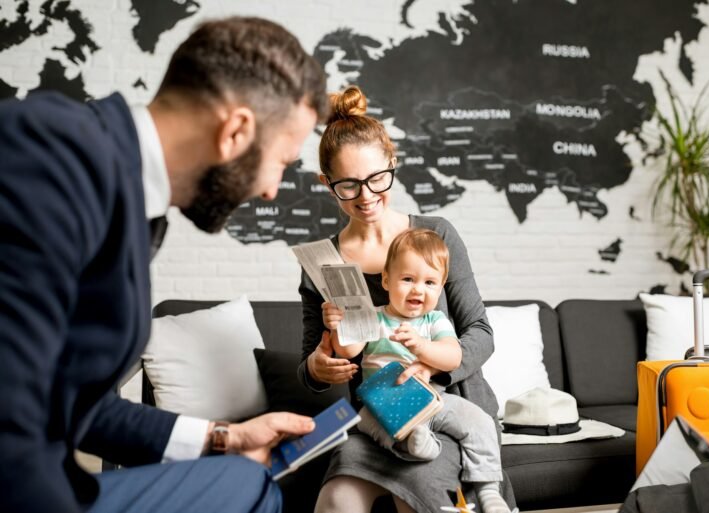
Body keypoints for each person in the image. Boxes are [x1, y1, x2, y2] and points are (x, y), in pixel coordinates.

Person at [0, 16, 327, 513]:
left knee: (249, 480)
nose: (271, 190)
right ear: (236, 131)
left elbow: (69, 400)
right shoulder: (51, 154)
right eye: (282, 160)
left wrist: (223, 438)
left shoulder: (135, 201)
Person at [297, 85, 516, 513]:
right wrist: (319, 366)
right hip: (382, 419)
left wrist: (429, 360)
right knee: (336, 499)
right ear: (327, 184)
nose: (366, 196)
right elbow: (311, 367)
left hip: (452, 410)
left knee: (413, 494)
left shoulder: (436, 236)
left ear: (393, 164)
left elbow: (481, 334)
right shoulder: (323, 264)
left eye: (378, 179)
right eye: (348, 185)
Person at [324, 228, 513, 513]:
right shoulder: (374, 316)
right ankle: (413, 443)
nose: (418, 289)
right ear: (387, 280)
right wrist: (339, 325)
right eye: (408, 279)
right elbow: (348, 350)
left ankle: (488, 490)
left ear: (441, 287)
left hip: (433, 400)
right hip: (381, 404)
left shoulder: (434, 321)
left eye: (429, 282)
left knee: (480, 422)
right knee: (376, 426)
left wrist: (422, 347)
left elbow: (452, 356)